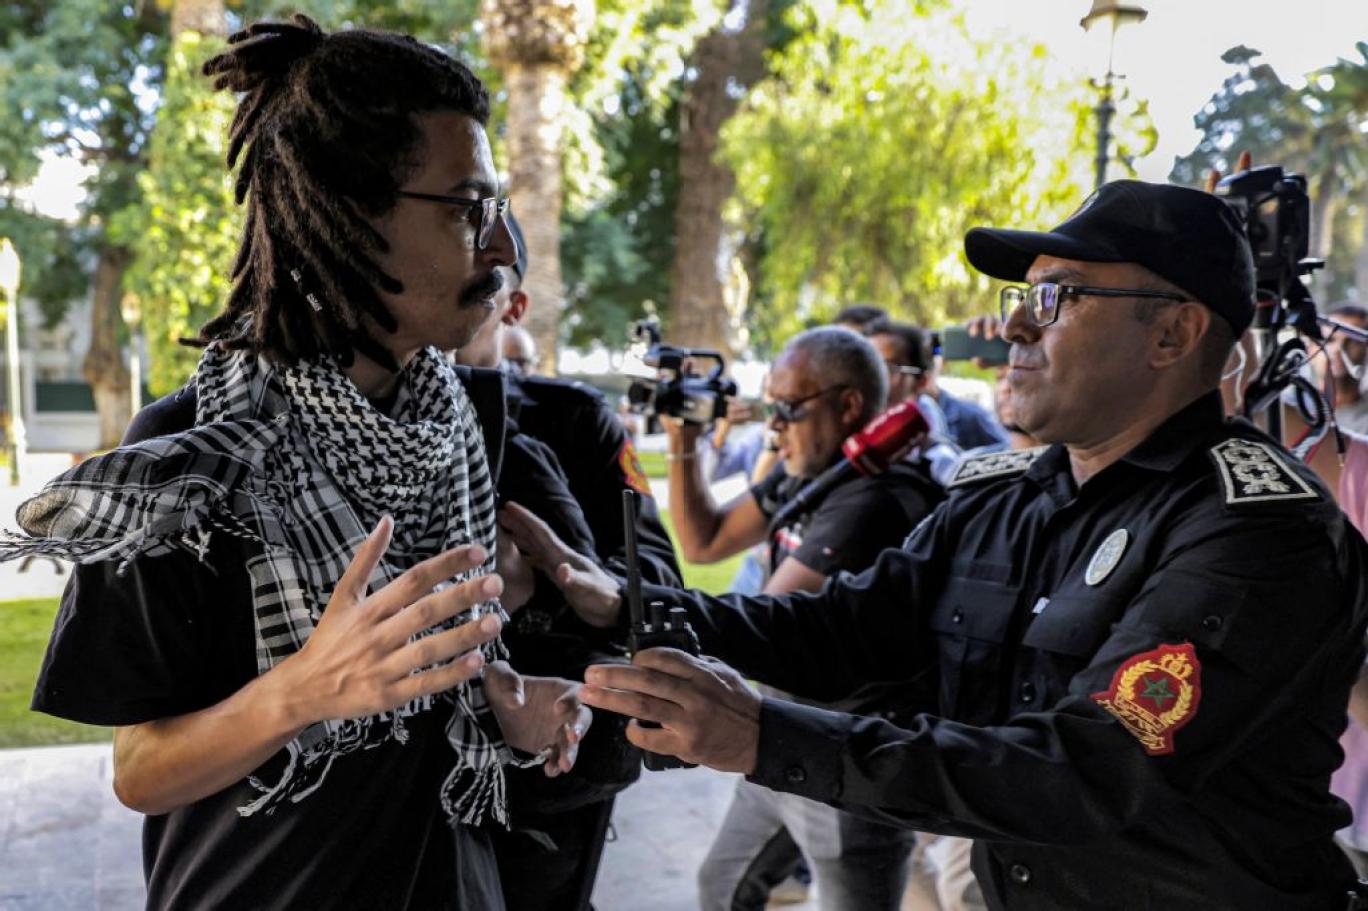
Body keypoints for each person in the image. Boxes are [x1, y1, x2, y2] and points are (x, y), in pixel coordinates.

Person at [515, 180, 1368, 909]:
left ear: (1173, 334)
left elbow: (1084, 770)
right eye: (1020, 299)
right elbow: (848, 629)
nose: (1015, 328)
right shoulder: (1006, 496)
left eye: (1056, 298)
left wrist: (762, 735)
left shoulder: (1258, 530)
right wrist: (632, 607)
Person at [2, 17, 588, 910]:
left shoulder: (466, 424)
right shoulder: (190, 456)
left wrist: (501, 696)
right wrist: (302, 691)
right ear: (353, 215)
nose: (504, 246)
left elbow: (432, 680)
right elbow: (140, 770)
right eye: (468, 208)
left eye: (498, 206)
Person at [589, 326, 944, 910]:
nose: (774, 426)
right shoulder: (813, 473)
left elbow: (770, 621)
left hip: (847, 753)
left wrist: (623, 605)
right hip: (781, 733)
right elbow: (704, 541)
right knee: (724, 885)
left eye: (789, 407)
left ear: (848, 405)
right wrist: (683, 443)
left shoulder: (875, 499)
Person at [454, 215, 684, 909]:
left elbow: (658, 574)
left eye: (482, 272)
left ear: (514, 304)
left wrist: (588, 587)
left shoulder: (573, 420)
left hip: (559, 770)